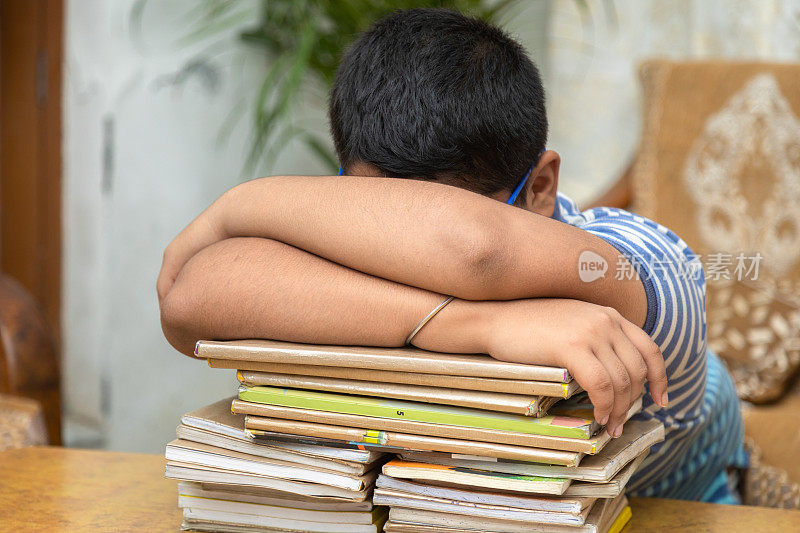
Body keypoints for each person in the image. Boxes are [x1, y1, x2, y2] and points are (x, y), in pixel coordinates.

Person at [157, 8, 746, 502]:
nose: (406, 253)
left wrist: (236, 207)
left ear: (539, 189)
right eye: (379, 212)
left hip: (669, 499)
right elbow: (188, 301)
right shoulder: (349, 229)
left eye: (434, 213)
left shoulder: (644, 261)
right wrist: (480, 322)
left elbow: (474, 248)